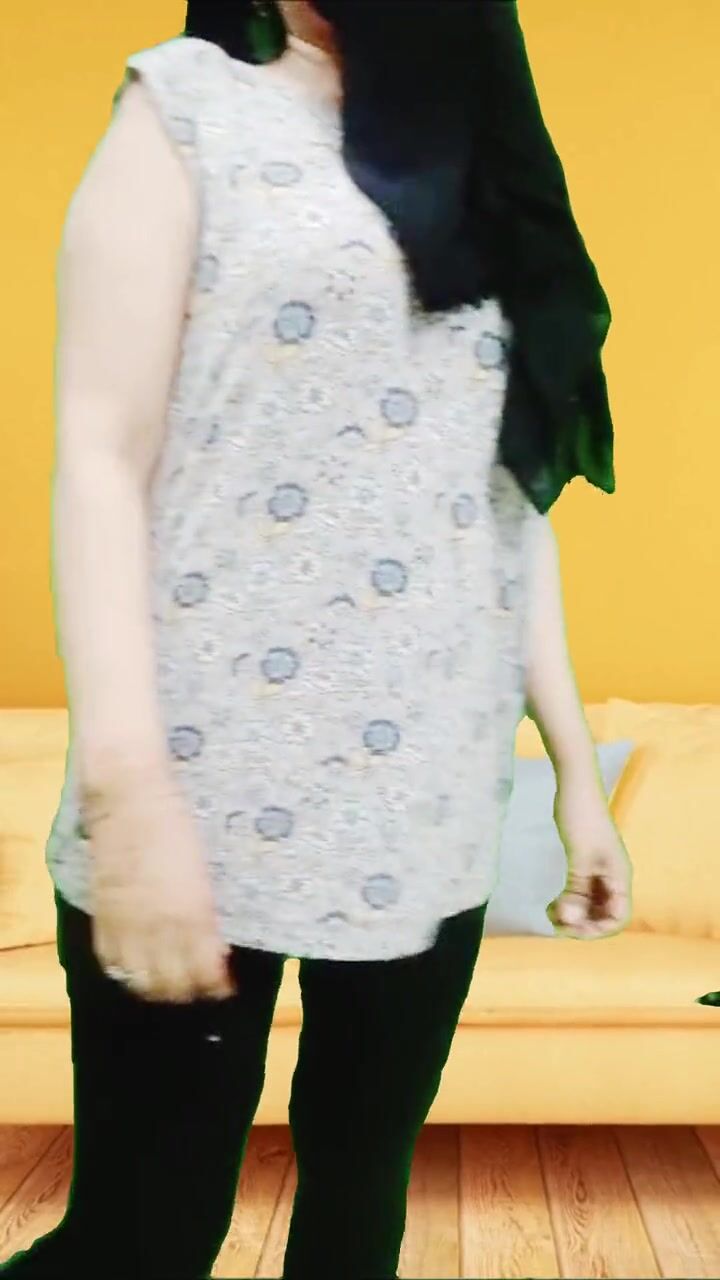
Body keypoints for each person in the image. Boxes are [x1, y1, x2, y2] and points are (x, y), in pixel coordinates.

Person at [1, 2, 632, 1276]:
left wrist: (575, 773)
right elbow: (101, 454)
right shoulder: (190, 106)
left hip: (431, 812)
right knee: (142, 1237)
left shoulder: (482, 172)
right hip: (204, 796)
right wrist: (128, 792)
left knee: (357, 1211)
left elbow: (500, 512)